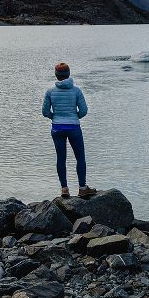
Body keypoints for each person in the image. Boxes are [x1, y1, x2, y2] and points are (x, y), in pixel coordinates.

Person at [42, 62, 97, 198]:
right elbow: (84, 110)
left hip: (57, 128)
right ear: (69, 74)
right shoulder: (76, 91)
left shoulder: (50, 92)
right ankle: (83, 188)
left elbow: (45, 112)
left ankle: (64, 189)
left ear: (56, 75)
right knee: (80, 157)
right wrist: (74, 117)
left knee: (61, 158)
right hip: (73, 127)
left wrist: (54, 117)